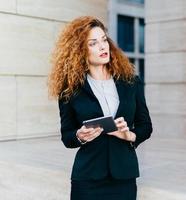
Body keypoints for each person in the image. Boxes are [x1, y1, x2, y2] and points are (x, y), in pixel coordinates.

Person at [48, 16, 152, 200]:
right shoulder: (70, 90)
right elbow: (67, 136)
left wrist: (129, 136)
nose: (103, 47)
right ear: (80, 50)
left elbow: (145, 126)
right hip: (87, 178)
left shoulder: (131, 82)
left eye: (104, 40)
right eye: (93, 43)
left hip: (124, 176)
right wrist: (79, 136)